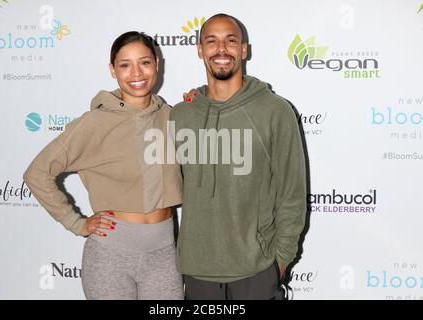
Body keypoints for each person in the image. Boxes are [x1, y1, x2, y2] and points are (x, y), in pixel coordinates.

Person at [23, 31, 184, 300]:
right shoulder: (95, 122)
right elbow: (37, 173)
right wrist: (76, 222)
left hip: (165, 254)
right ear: (113, 70)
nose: (136, 73)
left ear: (157, 63)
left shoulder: (172, 117)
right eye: (125, 65)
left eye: (144, 62)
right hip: (111, 256)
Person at [170, 14, 307, 300]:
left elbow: (291, 195)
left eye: (230, 41)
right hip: (196, 274)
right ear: (199, 50)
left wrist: (279, 262)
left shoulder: (275, 111)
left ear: (244, 50)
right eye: (212, 41)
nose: (221, 49)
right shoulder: (180, 114)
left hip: (256, 272)